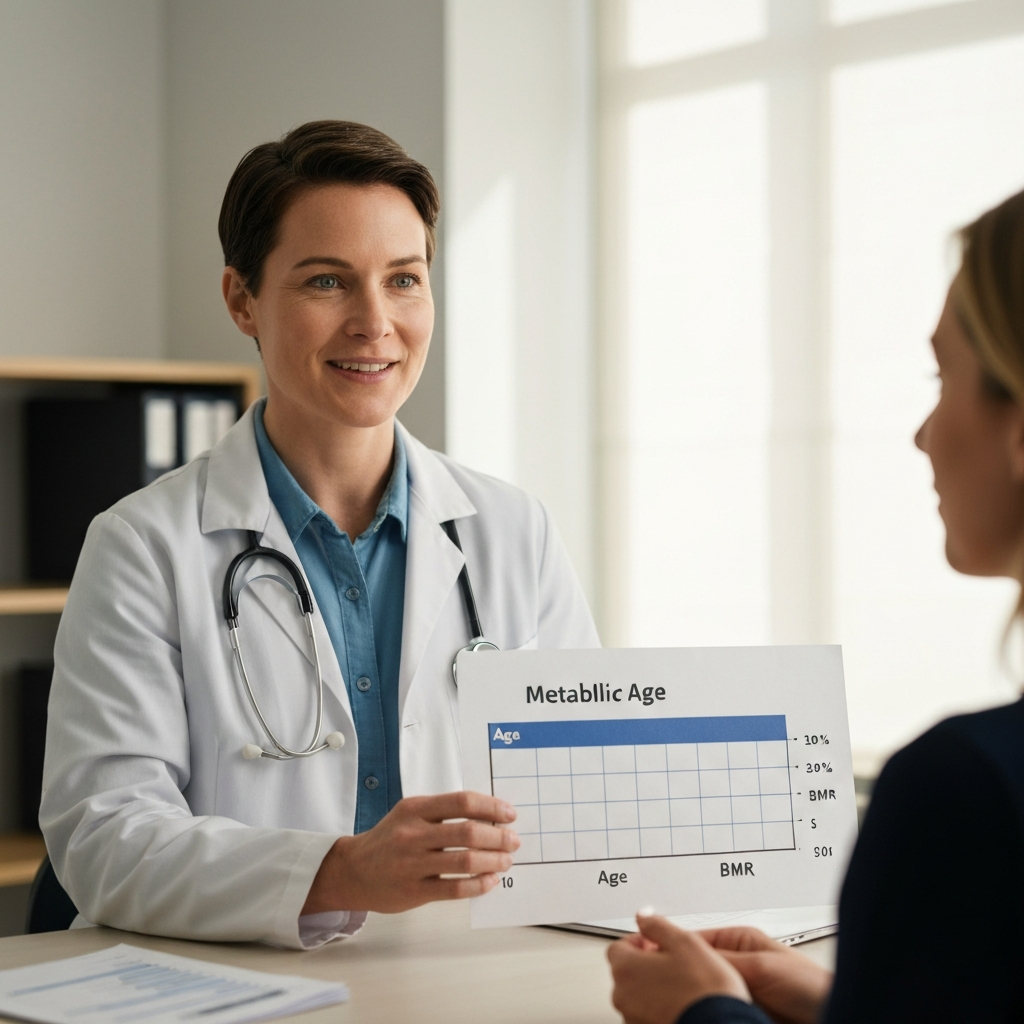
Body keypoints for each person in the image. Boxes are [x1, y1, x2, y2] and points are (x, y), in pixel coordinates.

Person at [40, 120, 599, 949]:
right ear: (242, 300)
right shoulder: (142, 547)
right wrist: (340, 872)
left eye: (404, 279)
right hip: (239, 986)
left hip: (465, 978)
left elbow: (583, 789)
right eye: (328, 282)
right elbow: (103, 837)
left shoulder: (512, 530)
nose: (376, 323)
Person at [607, 187, 1024, 1023]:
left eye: (945, 379)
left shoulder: (961, 793)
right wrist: (844, 1002)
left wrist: (703, 1012)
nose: (923, 434)